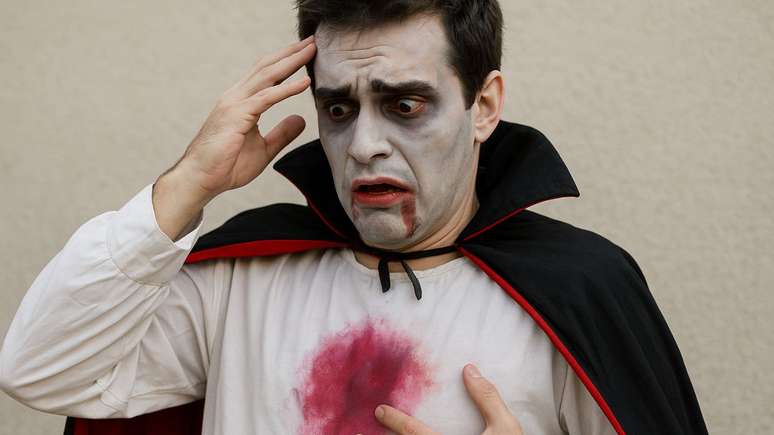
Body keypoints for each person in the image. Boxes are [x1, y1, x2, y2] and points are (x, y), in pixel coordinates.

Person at [0, 1, 708, 434]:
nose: (363, 144)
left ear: (484, 106)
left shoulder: (579, 292)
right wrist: (186, 184)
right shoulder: (241, 279)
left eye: (405, 104)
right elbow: (41, 372)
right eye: (338, 107)